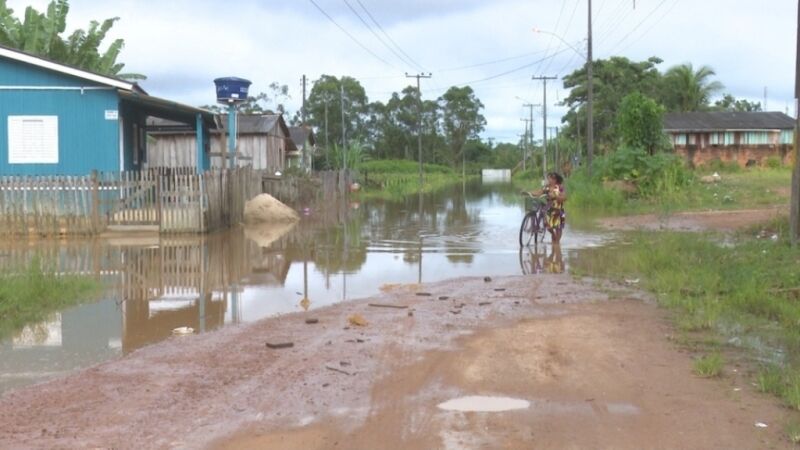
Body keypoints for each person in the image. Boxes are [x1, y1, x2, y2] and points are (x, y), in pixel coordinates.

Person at [527, 172, 567, 244]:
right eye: (549, 178)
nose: (550, 180)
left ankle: (556, 249)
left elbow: (564, 197)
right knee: (547, 225)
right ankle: (554, 238)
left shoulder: (560, 187)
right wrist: (529, 193)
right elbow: (539, 192)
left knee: (558, 230)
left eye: (552, 178)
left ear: (556, 179)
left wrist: (556, 197)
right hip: (549, 209)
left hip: (558, 210)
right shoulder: (546, 187)